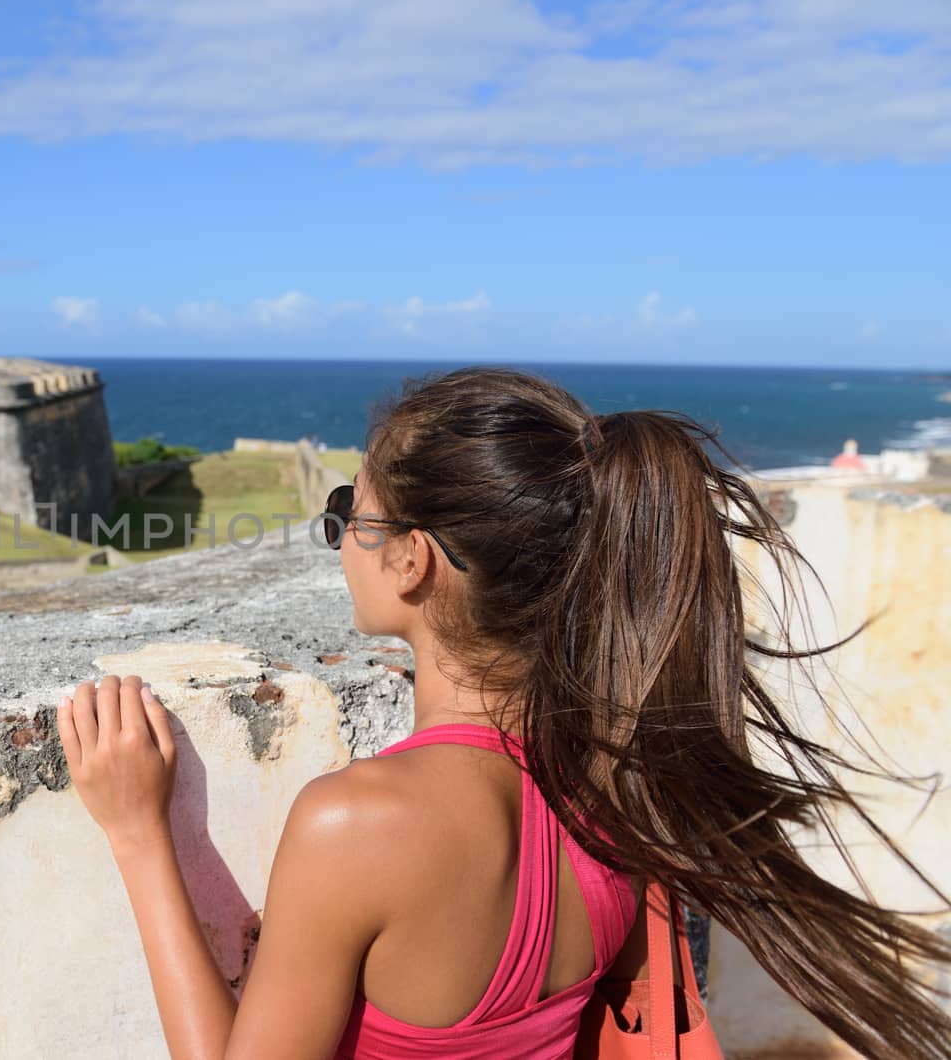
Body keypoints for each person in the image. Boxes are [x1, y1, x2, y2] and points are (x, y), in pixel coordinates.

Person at [57, 367, 951, 1060]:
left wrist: (139, 831)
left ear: (410, 561)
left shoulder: (360, 823)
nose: (341, 540)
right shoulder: (611, 782)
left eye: (349, 513)